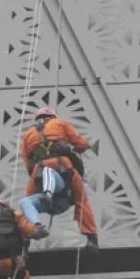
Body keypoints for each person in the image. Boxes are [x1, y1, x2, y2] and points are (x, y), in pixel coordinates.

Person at [19, 107, 99, 249]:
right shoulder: (60, 123)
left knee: (27, 204)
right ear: (53, 117)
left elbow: (27, 161)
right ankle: (91, 238)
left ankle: (25, 243)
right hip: (63, 165)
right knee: (81, 200)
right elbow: (81, 143)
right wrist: (77, 149)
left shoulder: (27, 134)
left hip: (39, 170)